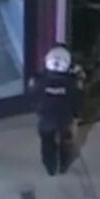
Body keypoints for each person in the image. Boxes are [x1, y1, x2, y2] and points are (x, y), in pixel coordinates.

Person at [34, 44, 82, 176]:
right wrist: (77, 115)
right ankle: (63, 165)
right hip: (65, 120)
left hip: (46, 119)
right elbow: (77, 101)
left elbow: (33, 97)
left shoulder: (40, 81)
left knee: (46, 143)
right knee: (66, 142)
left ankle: (50, 167)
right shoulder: (71, 83)